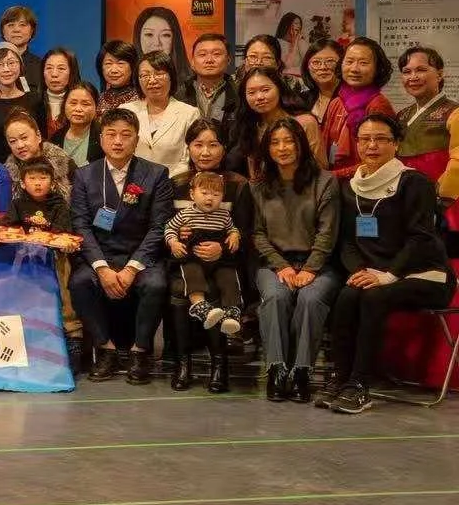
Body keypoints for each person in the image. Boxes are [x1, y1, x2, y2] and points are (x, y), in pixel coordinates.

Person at [321, 112, 454, 414]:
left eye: (381, 139)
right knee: (347, 295)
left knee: (373, 296)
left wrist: (390, 275)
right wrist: (358, 271)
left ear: (396, 144)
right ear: (357, 143)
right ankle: (341, 378)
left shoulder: (414, 182)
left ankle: (360, 385)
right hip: (375, 275)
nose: (372, 145)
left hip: (425, 274)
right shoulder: (350, 187)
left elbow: (420, 238)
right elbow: (347, 242)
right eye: (365, 139)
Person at [69, 108, 174, 384]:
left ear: (136, 140)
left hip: (140, 256)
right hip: (101, 255)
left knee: (156, 284)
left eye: (126, 135)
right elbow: (81, 225)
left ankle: (141, 351)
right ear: (101, 139)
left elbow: (158, 227)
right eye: (111, 134)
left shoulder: (156, 174)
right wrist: (102, 268)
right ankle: (106, 349)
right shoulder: (84, 175)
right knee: (80, 282)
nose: (118, 141)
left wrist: (131, 268)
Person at [251, 116, 341, 404]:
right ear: (267, 149)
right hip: (275, 263)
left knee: (310, 300)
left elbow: (327, 232)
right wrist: (282, 266)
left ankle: (302, 371)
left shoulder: (325, 182)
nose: (282, 148)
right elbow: (258, 234)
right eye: (275, 142)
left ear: (301, 144)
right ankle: (277, 370)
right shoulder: (258, 187)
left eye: (289, 141)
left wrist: (310, 268)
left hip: (319, 264)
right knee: (275, 297)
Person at [168, 169, 247, 340]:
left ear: (222, 197)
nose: (210, 198)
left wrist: (234, 235)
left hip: (220, 261)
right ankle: (201, 307)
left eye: (216, 194)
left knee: (229, 276)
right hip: (193, 257)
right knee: (192, 273)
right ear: (192, 194)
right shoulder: (185, 214)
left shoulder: (224, 215)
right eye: (204, 193)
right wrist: (173, 242)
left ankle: (231, 313)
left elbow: (232, 228)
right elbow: (169, 228)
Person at [394, 45, 459, 218]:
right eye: (406, 72)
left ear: (439, 74)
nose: (413, 77)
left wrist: (441, 197)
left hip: (444, 203)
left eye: (421, 70)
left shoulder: (454, 112)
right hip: (406, 198)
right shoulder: (401, 115)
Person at [226, 65, 325, 177]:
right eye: (251, 92)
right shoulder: (250, 127)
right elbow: (255, 176)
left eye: (265, 90)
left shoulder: (305, 122)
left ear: (279, 88)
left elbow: (321, 168)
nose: (259, 97)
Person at [122, 52, 199, 181]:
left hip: (173, 184)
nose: (152, 80)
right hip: (133, 184)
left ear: (171, 77)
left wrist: (162, 184)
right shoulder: (127, 110)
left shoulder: (189, 113)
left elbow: (187, 159)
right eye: (145, 75)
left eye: (159, 74)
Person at [303, 40, 353, 168]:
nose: (323, 67)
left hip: (344, 170)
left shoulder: (351, 100)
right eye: (316, 62)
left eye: (330, 61)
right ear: (307, 67)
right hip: (309, 170)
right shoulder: (302, 100)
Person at [2, 108, 72, 198]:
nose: (19, 145)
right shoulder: (5, 173)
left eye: (24, 138)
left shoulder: (64, 163)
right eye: (13, 141)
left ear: (38, 136)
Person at [178, 32, 235, 129]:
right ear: (192, 62)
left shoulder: (240, 94)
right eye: (202, 54)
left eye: (216, 54)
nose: (209, 60)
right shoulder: (179, 95)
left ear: (228, 60)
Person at [131, 5, 191, 87]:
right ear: (138, 37)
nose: (157, 43)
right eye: (149, 34)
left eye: (165, 35)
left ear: (175, 39)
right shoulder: (127, 79)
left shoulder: (191, 83)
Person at [4, 159, 68, 233]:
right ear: (23, 184)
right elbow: (10, 229)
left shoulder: (59, 205)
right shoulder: (17, 204)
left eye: (43, 178)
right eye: (32, 178)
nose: (37, 183)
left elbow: (63, 232)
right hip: (22, 239)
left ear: (52, 184)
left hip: (51, 239)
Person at [55, 83, 104, 169]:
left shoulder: (103, 136)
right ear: (64, 105)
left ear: (96, 107)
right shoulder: (55, 138)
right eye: (73, 103)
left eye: (85, 104)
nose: (78, 109)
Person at [37, 48, 81, 139]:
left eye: (61, 68)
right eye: (49, 68)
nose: (54, 74)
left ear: (72, 72)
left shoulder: (81, 104)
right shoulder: (33, 103)